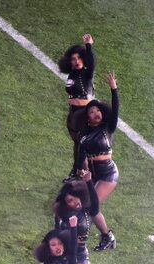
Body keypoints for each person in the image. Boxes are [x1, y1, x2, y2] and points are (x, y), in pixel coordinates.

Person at [76, 72, 119, 251]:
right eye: (91, 112)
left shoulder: (108, 128)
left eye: (97, 110)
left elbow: (116, 110)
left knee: (92, 208)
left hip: (108, 174)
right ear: (88, 117)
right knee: (84, 206)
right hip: (94, 175)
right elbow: (80, 157)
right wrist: (81, 169)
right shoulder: (84, 136)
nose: (95, 113)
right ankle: (100, 236)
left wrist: (114, 89)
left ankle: (107, 236)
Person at [58, 34, 95, 181]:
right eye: (73, 59)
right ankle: (78, 172)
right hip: (73, 114)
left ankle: (79, 173)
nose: (77, 61)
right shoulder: (72, 75)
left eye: (79, 58)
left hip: (84, 113)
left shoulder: (87, 73)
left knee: (82, 145)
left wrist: (89, 46)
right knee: (77, 145)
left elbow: (92, 64)